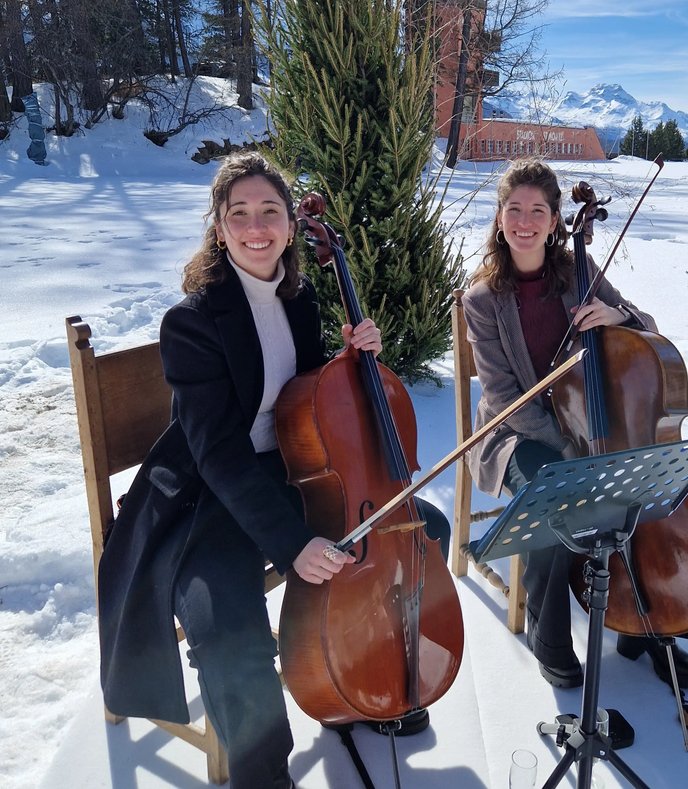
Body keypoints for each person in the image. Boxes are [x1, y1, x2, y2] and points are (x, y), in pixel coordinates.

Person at [97, 151, 450, 789]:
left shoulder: (298, 296)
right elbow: (218, 452)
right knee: (227, 622)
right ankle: (262, 776)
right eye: (240, 215)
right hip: (208, 494)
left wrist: (350, 359)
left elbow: (304, 394)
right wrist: (293, 547)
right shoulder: (192, 322)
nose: (256, 228)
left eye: (269, 212)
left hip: (290, 468)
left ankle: (357, 681)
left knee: (421, 530)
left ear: (290, 225)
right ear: (220, 227)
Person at [461, 158, 688, 690]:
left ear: (555, 221)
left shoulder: (578, 272)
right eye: (514, 210)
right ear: (500, 218)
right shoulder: (482, 298)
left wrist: (619, 318)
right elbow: (506, 397)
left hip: (593, 422)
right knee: (554, 493)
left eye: (538, 211)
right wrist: (574, 447)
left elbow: (648, 328)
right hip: (516, 434)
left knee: (642, 482)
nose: (525, 221)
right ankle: (547, 632)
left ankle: (646, 626)